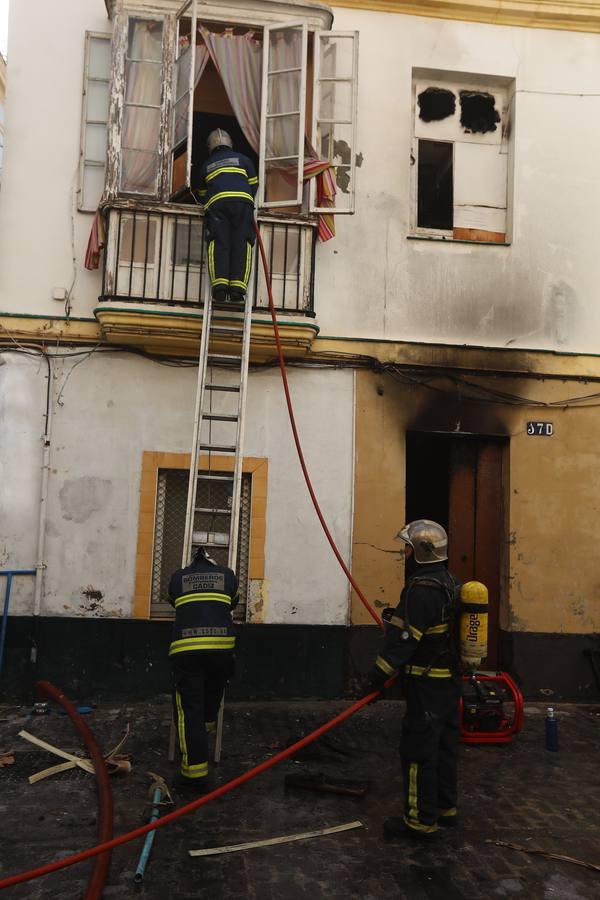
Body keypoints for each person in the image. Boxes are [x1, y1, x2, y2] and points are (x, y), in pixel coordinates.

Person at [365, 519, 461, 840]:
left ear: (420, 552)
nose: (403, 553)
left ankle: (419, 821)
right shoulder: (450, 582)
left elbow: (405, 642)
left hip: (427, 684)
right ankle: (446, 809)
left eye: (406, 548)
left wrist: (376, 677)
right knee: (445, 746)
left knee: (419, 750)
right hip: (449, 684)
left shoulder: (420, 590)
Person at [168, 545, 239, 792]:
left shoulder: (178, 578)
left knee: (189, 708)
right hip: (222, 651)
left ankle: (194, 774)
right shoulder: (228, 575)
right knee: (212, 697)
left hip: (188, 652)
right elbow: (232, 603)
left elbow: (174, 601)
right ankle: (204, 732)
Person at [196, 128, 258, 304]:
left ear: (210, 146)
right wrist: (243, 199)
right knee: (242, 242)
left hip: (217, 205)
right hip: (242, 203)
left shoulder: (206, 166)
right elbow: (254, 185)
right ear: (230, 143)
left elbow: (202, 194)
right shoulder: (244, 160)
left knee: (219, 242)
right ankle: (238, 290)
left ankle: (220, 289)